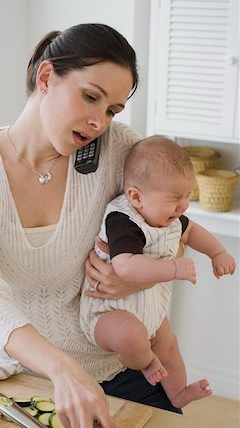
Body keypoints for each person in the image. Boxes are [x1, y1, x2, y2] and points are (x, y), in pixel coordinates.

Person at [0, 22, 171, 428]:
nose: (100, 121)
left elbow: (172, 219)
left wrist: (137, 277)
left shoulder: (118, 150)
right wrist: (62, 368)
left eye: (113, 108)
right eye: (90, 96)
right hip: (21, 384)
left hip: (124, 374)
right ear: (46, 78)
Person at [80, 136, 236, 408]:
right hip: (108, 311)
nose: (184, 205)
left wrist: (217, 253)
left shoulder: (169, 217)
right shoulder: (123, 220)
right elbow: (125, 266)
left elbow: (193, 232)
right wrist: (173, 267)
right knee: (130, 336)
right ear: (136, 197)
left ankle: (178, 393)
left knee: (169, 345)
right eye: (176, 198)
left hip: (148, 306)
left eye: (187, 196)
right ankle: (146, 363)